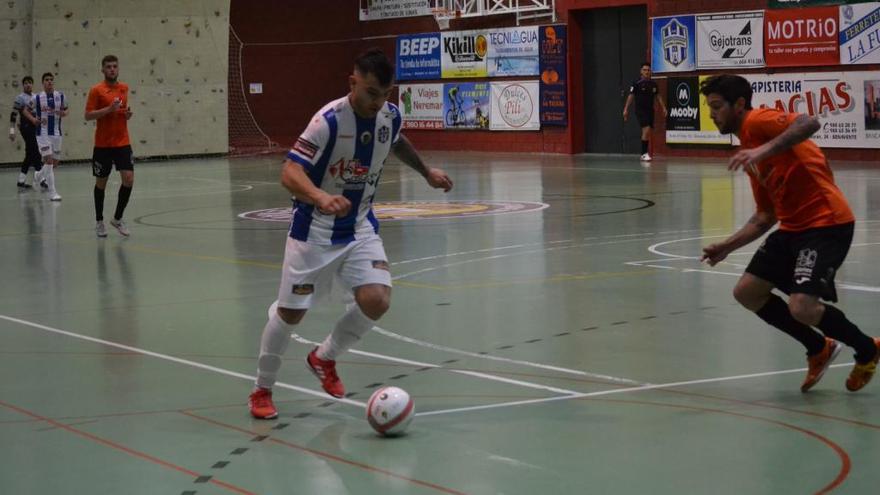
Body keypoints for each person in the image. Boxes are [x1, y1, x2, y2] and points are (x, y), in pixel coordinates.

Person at [248, 48, 453, 419]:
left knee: (377, 298)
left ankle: (324, 358)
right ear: (352, 83)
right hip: (314, 231)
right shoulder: (327, 121)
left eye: (385, 94)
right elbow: (289, 172)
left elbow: (396, 139)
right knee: (290, 314)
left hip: (359, 226)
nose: (379, 102)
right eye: (372, 92)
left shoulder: (389, 116)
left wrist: (426, 172)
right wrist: (319, 195)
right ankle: (262, 389)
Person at [699, 74, 880, 393]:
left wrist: (762, 150)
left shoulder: (758, 122)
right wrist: (727, 246)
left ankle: (867, 349)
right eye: (709, 107)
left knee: (802, 307)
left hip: (826, 223)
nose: (712, 114)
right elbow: (766, 215)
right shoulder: (749, 149)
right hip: (792, 229)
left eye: (716, 106)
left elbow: (810, 123)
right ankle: (818, 348)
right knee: (747, 292)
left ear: (739, 105)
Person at [85, 54, 134, 238]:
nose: (112, 69)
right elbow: (88, 115)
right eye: (108, 67)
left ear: (118, 68)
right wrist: (108, 110)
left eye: (114, 66)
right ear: (103, 70)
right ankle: (99, 221)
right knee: (101, 183)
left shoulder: (124, 88)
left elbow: (120, 111)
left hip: (122, 141)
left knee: (128, 179)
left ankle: (118, 218)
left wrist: (126, 114)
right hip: (103, 145)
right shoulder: (96, 90)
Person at [28, 72, 68, 201]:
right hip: (42, 133)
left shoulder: (61, 96)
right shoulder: (37, 98)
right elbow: (25, 109)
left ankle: (38, 175)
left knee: (54, 163)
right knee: (49, 161)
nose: (49, 82)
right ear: (43, 82)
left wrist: (63, 113)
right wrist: (33, 119)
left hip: (56, 133)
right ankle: (52, 193)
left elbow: (66, 110)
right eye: (46, 80)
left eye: (51, 79)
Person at [623, 62, 666, 162]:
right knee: (646, 129)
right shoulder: (636, 83)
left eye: (648, 70)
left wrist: (663, 107)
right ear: (641, 71)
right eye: (644, 70)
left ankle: (644, 153)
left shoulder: (653, 84)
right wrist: (626, 109)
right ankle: (643, 154)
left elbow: (658, 96)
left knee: (647, 132)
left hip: (650, 110)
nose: (647, 72)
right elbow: (631, 96)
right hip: (640, 110)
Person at [9, 76, 46, 189]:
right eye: (25, 83)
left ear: (32, 84)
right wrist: (12, 130)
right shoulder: (20, 98)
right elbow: (14, 114)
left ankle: (21, 180)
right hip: (25, 126)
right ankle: (42, 180)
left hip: (35, 125)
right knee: (35, 150)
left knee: (30, 153)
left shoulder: (36, 97)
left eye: (30, 83)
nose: (28, 85)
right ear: (23, 85)